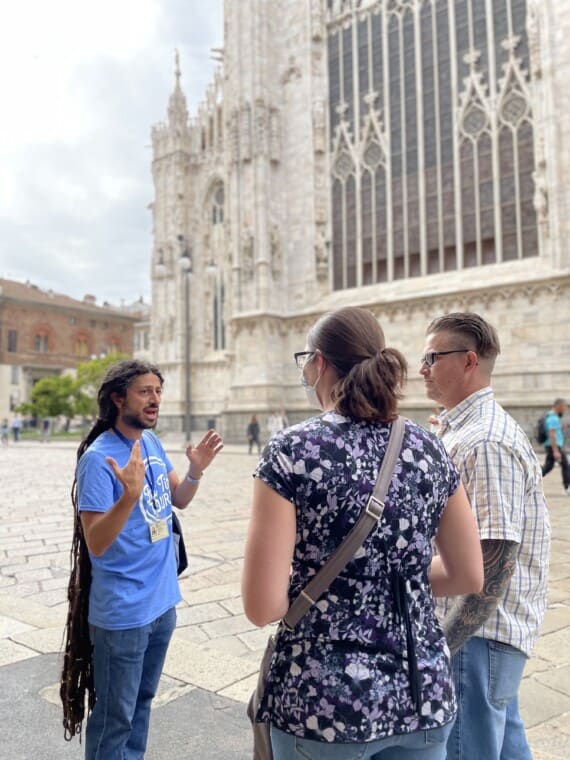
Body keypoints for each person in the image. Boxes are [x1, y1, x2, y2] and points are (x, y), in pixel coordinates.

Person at [242, 306, 483, 760]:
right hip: (422, 695)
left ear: (318, 364)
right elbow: (469, 575)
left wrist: (348, 579)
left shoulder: (292, 451)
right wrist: (392, 574)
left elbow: (262, 606)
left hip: (320, 705)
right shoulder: (429, 447)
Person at [60, 359, 223, 758]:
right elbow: (96, 542)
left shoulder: (149, 444)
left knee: (142, 704)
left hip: (161, 605)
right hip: (123, 614)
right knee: (114, 719)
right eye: (145, 392)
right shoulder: (100, 459)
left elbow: (179, 499)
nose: (155, 400)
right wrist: (128, 497)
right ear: (118, 399)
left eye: (158, 392)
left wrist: (196, 471)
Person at [420, 312, 551, 760]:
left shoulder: (485, 442)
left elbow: (495, 556)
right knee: (506, 746)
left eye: (432, 357)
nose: (422, 368)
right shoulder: (466, 432)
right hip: (484, 638)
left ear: (469, 361)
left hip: (478, 636)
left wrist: (444, 645)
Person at [541, 398, 570, 495]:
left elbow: (554, 431)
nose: (566, 409)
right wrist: (556, 451)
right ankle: (567, 487)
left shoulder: (551, 416)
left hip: (553, 446)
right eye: (565, 406)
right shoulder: (553, 418)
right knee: (565, 466)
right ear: (559, 406)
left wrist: (562, 427)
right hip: (554, 446)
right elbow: (552, 434)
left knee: (548, 466)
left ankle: (532, 478)